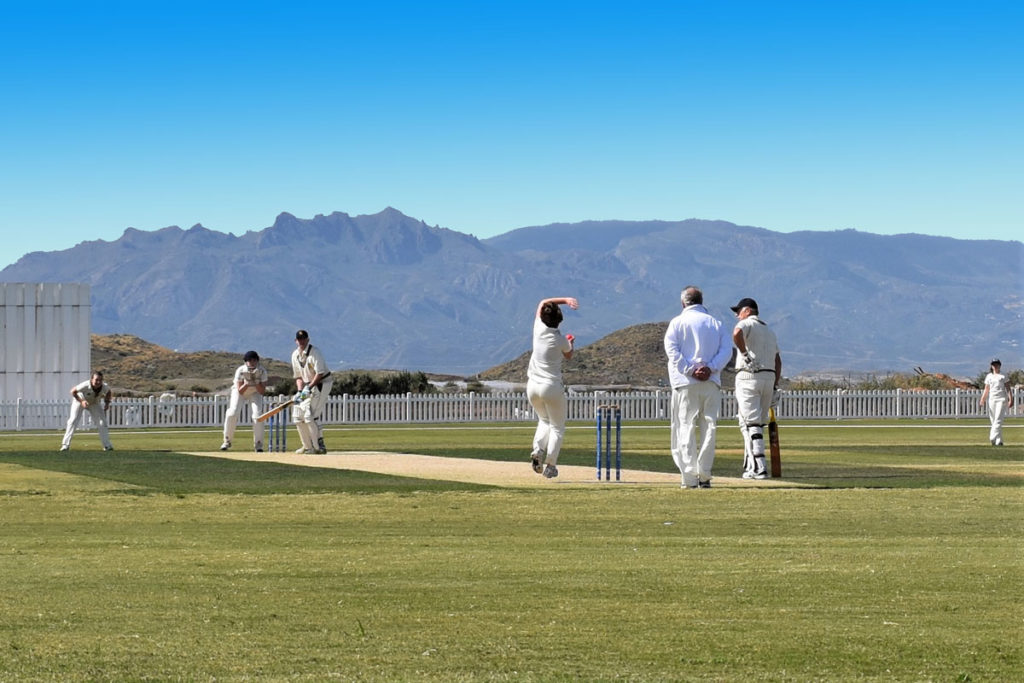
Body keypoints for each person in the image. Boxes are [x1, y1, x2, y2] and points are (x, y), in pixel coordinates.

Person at [664, 286, 732, 488]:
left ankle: (689, 477)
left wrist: (690, 370)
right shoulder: (716, 323)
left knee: (685, 427)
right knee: (709, 426)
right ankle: (704, 474)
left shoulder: (677, 322)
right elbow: (726, 351)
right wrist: (710, 368)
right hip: (710, 382)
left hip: (686, 383)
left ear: (683, 302)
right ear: (701, 301)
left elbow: (672, 351)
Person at [526, 296, 579, 478]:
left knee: (544, 421)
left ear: (542, 317)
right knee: (557, 427)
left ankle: (538, 449)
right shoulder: (561, 340)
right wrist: (571, 342)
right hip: (551, 387)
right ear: (559, 321)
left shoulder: (538, 329)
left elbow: (542, 302)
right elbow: (569, 355)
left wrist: (565, 299)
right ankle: (550, 465)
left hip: (532, 386)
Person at [730, 297, 783, 479]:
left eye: (738, 311)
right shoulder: (769, 331)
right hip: (768, 378)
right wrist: (775, 385)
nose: (737, 315)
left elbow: (736, 333)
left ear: (747, 310)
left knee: (750, 423)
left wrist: (744, 354)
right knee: (756, 424)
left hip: (749, 376)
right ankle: (751, 466)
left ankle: (760, 468)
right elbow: (777, 361)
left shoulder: (746, 324)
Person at [291, 329, 334, 454]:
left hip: (322, 383)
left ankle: (318, 446)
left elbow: (319, 373)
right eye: (299, 339)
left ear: (308, 340)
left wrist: (308, 388)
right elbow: (298, 377)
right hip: (307, 386)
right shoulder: (295, 355)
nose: (302, 341)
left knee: (311, 416)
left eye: (304, 339)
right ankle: (307, 446)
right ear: (296, 341)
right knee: (297, 417)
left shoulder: (315, 352)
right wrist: (300, 391)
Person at [220, 350, 268, 451]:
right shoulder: (241, 370)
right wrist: (247, 383)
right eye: (249, 360)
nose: (252, 362)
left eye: (254, 360)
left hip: (255, 392)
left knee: (257, 415)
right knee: (233, 412)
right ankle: (227, 441)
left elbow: (262, 391)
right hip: (240, 391)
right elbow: (240, 391)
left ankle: (258, 444)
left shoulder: (262, 371)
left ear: (257, 361)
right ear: (245, 361)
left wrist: (256, 382)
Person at [60, 371, 114, 451]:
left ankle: (107, 445)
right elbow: (73, 391)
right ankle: (65, 445)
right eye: (96, 380)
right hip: (80, 400)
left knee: (102, 423)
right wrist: (82, 401)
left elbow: (109, 392)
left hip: (94, 402)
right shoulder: (85, 385)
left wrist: (107, 403)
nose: (98, 382)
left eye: (100, 380)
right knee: (73, 420)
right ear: (92, 379)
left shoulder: (104, 387)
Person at [979, 359, 1013, 446]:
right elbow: (987, 389)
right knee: (993, 420)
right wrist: (983, 399)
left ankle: (992, 437)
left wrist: (1010, 399)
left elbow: (1008, 388)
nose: (995, 366)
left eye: (997, 364)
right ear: (991, 366)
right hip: (992, 400)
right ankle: (999, 441)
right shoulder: (989, 376)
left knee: (998, 419)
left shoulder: (1003, 376)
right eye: (993, 364)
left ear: (1000, 365)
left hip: (1001, 399)